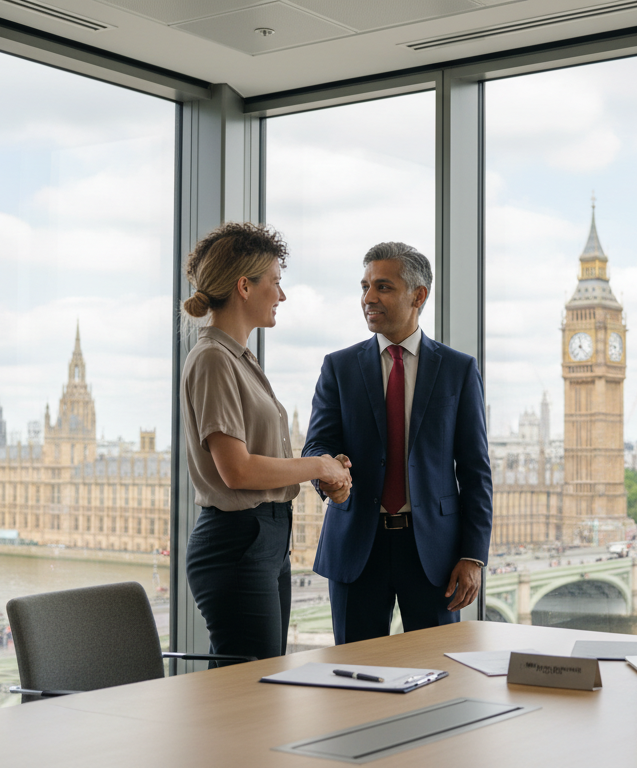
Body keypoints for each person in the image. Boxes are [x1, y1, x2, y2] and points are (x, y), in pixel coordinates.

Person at [179, 222, 352, 664]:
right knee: (253, 692)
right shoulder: (214, 359)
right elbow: (237, 471)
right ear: (244, 287)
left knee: (262, 685)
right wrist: (318, 467)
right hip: (238, 542)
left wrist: (329, 468)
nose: (282, 294)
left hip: (266, 538)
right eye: (275, 282)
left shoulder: (239, 358)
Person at [303, 242, 493, 645]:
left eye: (383, 287)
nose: (368, 298)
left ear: (418, 296)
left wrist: (473, 556)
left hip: (434, 555)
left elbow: (476, 471)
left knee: (440, 675)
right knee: (353, 678)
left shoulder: (459, 370)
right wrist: (329, 474)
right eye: (365, 286)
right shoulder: (338, 367)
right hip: (356, 545)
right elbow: (316, 444)